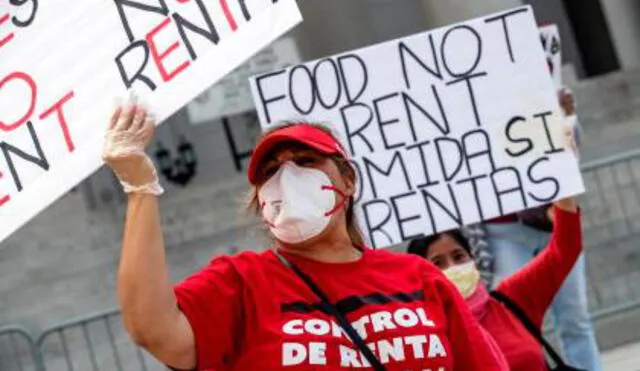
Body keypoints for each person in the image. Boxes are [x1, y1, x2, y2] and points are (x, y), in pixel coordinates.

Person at [102, 103, 505, 371]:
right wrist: (140, 189)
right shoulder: (242, 281)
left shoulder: (418, 276)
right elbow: (152, 329)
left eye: (306, 161)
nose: (288, 177)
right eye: (270, 171)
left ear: (347, 180)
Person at [484, 87, 602, 371]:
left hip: (554, 225)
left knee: (576, 319)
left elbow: (570, 150)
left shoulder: (535, 87)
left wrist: (568, 115)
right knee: (513, 320)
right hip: (504, 232)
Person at [408, 198, 583, 371]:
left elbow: (564, 250)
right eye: (438, 263)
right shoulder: (424, 337)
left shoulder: (511, 300)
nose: (453, 267)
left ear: (473, 259)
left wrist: (563, 197)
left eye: (459, 256)